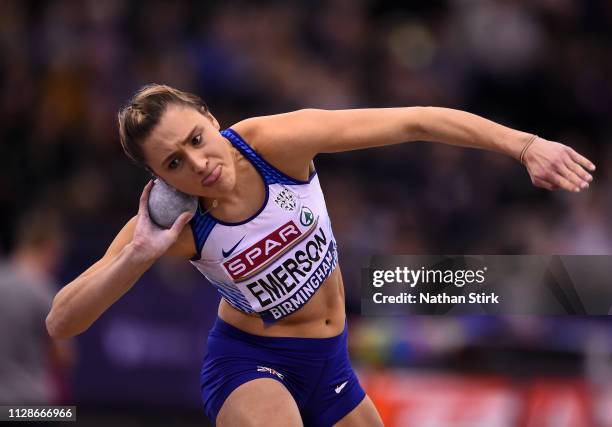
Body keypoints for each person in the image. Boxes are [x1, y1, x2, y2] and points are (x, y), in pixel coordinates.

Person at [45, 84, 595, 426]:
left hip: (331, 361)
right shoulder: (173, 223)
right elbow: (62, 320)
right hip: (249, 363)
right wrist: (138, 255)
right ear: (158, 178)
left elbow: (415, 121)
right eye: (172, 164)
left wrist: (525, 145)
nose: (198, 164)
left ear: (210, 118)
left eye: (195, 138)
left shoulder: (277, 142)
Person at [1, 208, 75, 405]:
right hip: (33, 403)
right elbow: (63, 356)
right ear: (49, 247)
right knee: (70, 416)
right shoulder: (43, 289)